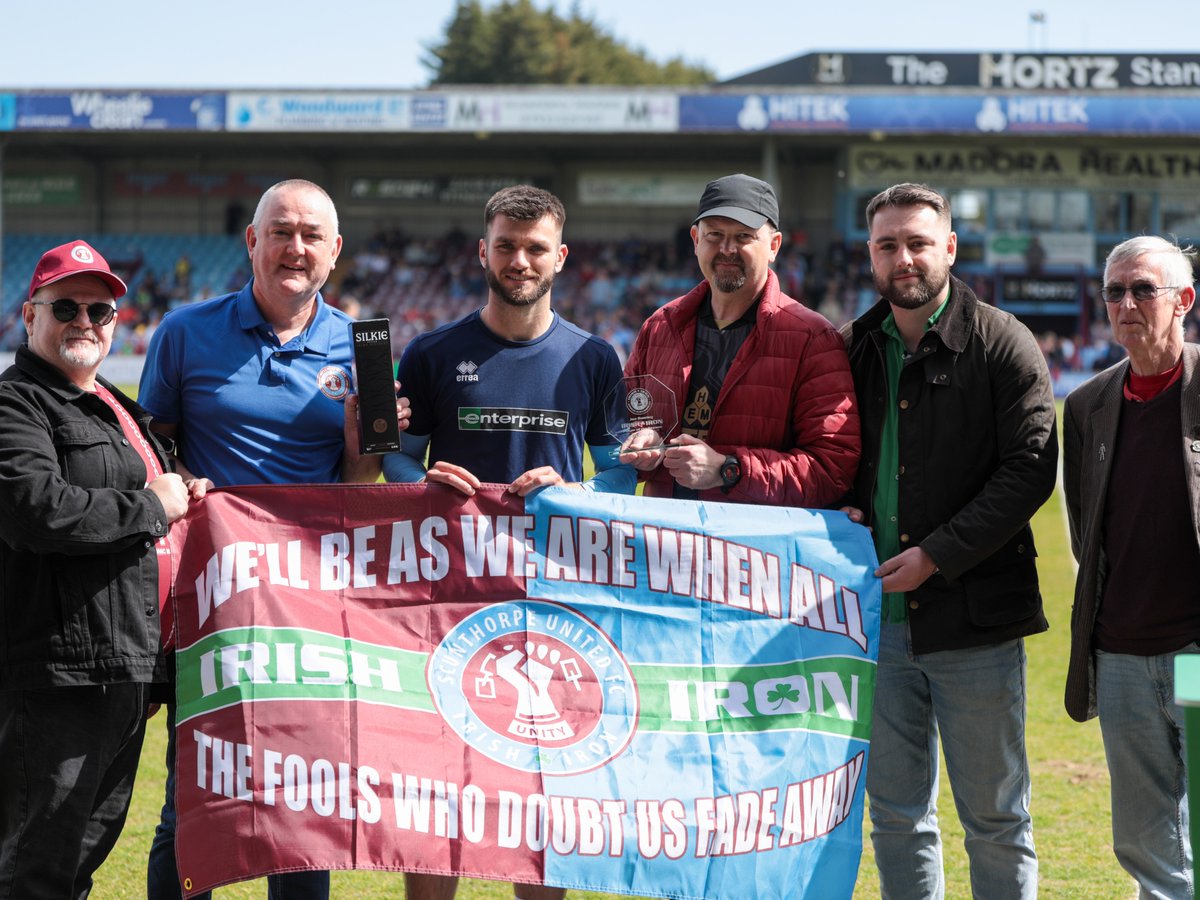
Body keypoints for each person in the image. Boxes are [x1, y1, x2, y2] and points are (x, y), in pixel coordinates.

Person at [138, 179, 408, 899]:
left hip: (307, 612)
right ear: (252, 241)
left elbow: (362, 495)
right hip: (212, 604)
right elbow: (151, 454)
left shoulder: (366, 349)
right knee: (192, 799)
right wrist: (183, 481)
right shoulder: (184, 332)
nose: (296, 248)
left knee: (303, 808)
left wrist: (362, 446)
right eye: (281, 232)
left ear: (335, 250)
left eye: (312, 235)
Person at [383, 184, 634, 900]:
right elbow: (395, 458)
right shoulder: (433, 352)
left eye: (534, 248)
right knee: (439, 792)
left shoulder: (594, 359)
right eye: (506, 246)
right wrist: (424, 479)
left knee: (542, 792)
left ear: (560, 256)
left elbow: (618, 477)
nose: (519, 260)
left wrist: (573, 491)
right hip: (447, 602)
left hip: (554, 604)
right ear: (483, 250)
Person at [843, 183, 1057, 899]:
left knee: (996, 817)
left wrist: (936, 554)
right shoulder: (853, 347)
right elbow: (831, 459)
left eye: (918, 243)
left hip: (976, 624)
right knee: (897, 818)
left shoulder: (1002, 341)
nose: (903, 258)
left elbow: (1030, 471)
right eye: (887, 245)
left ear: (950, 249)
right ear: (870, 254)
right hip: (877, 627)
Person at [0, 240, 192, 898]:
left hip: (125, 670)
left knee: (81, 858)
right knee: (36, 865)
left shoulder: (110, 399)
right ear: (30, 317)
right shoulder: (15, 403)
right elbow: (36, 511)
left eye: (102, 311)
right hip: (59, 676)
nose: (86, 321)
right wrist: (152, 504)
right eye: (67, 307)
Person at [1063, 236, 1199, 898]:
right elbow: (1085, 528)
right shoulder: (1087, 405)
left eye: (1143, 289)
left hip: (1196, 656)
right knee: (1144, 837)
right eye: (1113, 291)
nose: (1125, 303)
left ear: (1185, 302)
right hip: (1119, 659)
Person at [619, 173, 859, 507]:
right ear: (695, 239)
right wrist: (639, 443)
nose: (727, 249)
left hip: (753, 551)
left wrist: (729, 470)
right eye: (715, 235)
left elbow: (833, 469)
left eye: (743, 237)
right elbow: (623, 421)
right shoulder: (659, 327)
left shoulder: (812, 339)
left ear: (774, 245)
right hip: (665, 543)